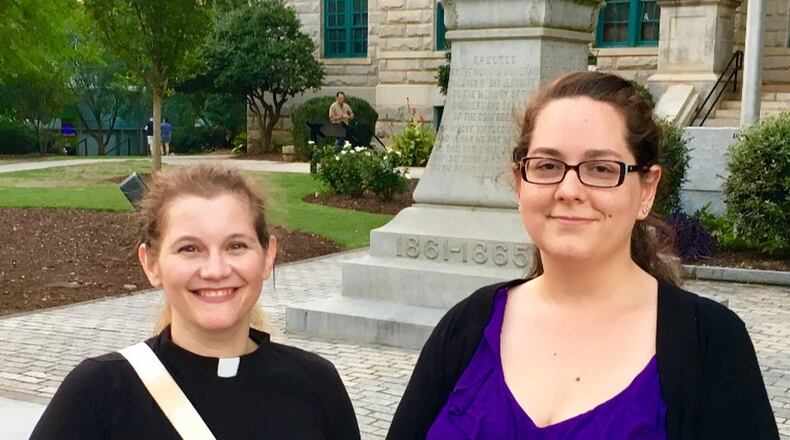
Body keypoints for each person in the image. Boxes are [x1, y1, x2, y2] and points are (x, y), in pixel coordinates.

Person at [387, 72, 779, 439]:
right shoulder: (466, 328)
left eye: (601, 168)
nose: (569, 189)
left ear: (646, 189)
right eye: (547, 165)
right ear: (519, 182)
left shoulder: (710, 343)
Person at [30, 164, 361, 439]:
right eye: (189, 248)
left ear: (268, 256)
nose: (216, 270)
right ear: (151, 264)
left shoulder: (316, 385)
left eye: (236, 246)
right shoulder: (100, 393)